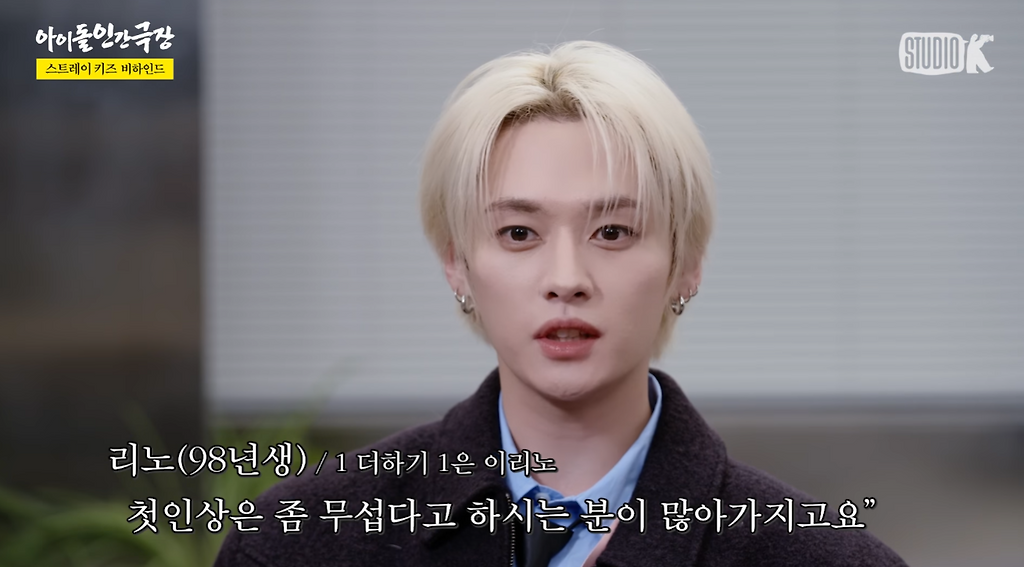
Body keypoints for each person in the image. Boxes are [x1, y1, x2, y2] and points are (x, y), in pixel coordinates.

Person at [214, 40, 907, 567]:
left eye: (614, 232)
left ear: (686, 264)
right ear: (456, 263)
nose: (567, 278)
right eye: (519, 233)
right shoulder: (295, 542)